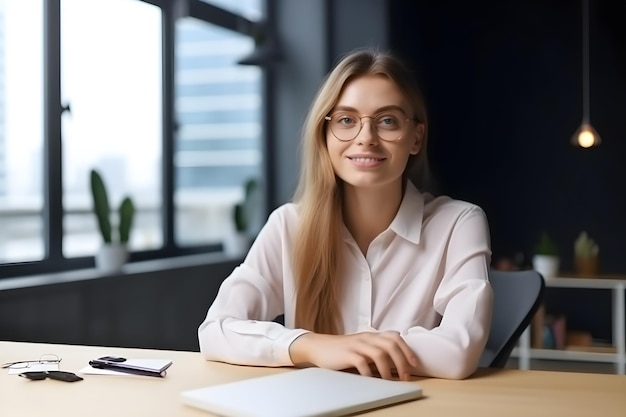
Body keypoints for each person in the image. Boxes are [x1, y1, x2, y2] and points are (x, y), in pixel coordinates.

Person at [198, 48, 493, 381]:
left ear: (415, 137)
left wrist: (352, 349)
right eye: (346, 120)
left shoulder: (458, 223)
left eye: (387, 121)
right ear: (325, 135)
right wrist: (313, 346)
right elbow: (216, 331)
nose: (365, 138)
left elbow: (458, 351)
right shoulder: (288, 226)